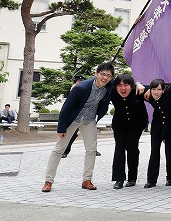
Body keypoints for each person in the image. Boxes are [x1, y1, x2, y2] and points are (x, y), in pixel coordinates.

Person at [41, 62, 115, 192]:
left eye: (108, 75)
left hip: (89, 120)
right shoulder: (81, 88)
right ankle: (48, 181)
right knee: (59, 149)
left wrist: (138, 84)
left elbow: (124, 81)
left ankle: (87, 180)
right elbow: (66, 108)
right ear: (96, 74)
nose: (105, 78)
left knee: (91, 149)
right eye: (102, 74)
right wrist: (61, 128)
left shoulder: (109, 86)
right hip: (73, 119)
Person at [111, 74, 148, 189]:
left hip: (136, 125)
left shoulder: (139, 90)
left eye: (126, 85)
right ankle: (119, 179)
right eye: (119, 85)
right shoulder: (112, 92)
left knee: (132, 148)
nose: (123, 88)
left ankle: (132, 178)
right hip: (119, 125)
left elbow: (158, 86)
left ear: (131, 86)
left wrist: (138, 83)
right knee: (119, 148)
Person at [144, 79, 171, 188]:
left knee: (169, 152)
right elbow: (137, 86)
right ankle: (151, 180)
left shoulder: (170, 94)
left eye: (159, 89)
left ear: (163, 90)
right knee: (154, 151)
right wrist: (141, 86)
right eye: (153, 89)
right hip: (157, 125)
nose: (156, 92)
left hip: (169, 124)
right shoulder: (148, 94)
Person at [62, 76, 102, 158]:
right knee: (72, 134)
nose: (80, 82)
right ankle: (65, 151)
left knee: (91, 135)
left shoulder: (86, 88)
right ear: (75, 82)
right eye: (78, 81)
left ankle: (94, 150)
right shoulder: (73, 89)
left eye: (81, 81)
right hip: (75, 117)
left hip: (87, 116)